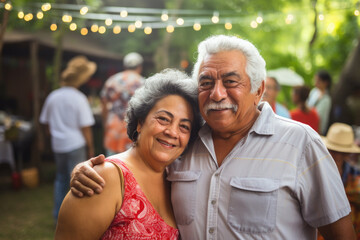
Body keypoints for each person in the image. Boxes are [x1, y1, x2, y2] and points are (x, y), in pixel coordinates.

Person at [70, 35, 355, 239]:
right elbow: (138, 173)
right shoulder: (184, 143)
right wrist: (90, 169)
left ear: (259, 89)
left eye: (231, 81)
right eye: (206, 83)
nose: (217, 93)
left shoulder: (300, 143)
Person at [55, 69, 203, 239]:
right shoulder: (103, 179)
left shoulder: (177, 178)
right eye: (163, 119)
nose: (172, 132)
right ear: (140, 123)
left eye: (184, 126)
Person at [39, 55, 96, 222]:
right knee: (78, 182)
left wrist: (54, 135)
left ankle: (58, 215)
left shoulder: (53, 96)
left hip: (58, 145)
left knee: (61, 179)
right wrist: (90, 147)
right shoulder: (79, 98)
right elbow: (86, 128)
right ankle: (75, 217)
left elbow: (46, 124)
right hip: (75, 144)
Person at [320, 122, 360, 239]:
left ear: (346, 154)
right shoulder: (317, 171)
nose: (336, 156)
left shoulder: (354, 179)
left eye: (340, 153)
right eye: (334, 152)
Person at [101, 52, 145, 156]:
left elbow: (103, 104)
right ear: (139, 67)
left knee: (110, 165)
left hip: (113, 127)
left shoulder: (112, 81)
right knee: (129, 166)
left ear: (125, 66)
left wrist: (105, 123)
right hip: (132, 130)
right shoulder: (143, 83)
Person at [308, 70, 332, 135]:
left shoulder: (327, 99)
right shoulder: (314, 92)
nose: (315, 83)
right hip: (308, 125)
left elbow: (322, 117)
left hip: (317, 130)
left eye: (318, 81)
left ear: (325, 83)